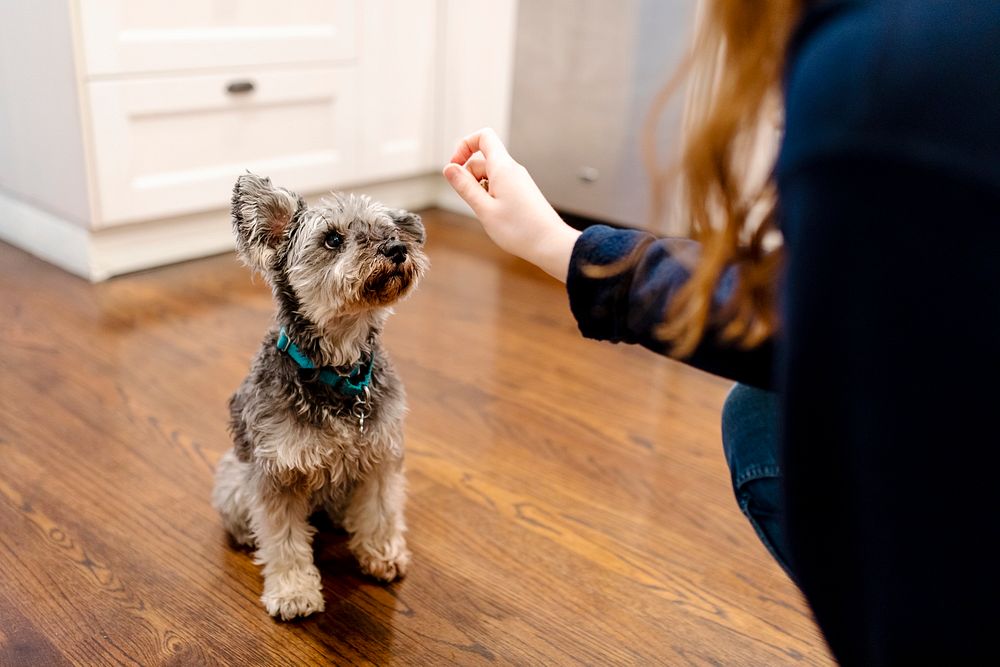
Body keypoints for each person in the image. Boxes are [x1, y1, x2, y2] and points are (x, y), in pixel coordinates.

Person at [442, 0, 1000, 664]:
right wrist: (560, 246)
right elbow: (810, 306)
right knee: (760, 412)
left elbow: (794, 326)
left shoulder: (874, 76)